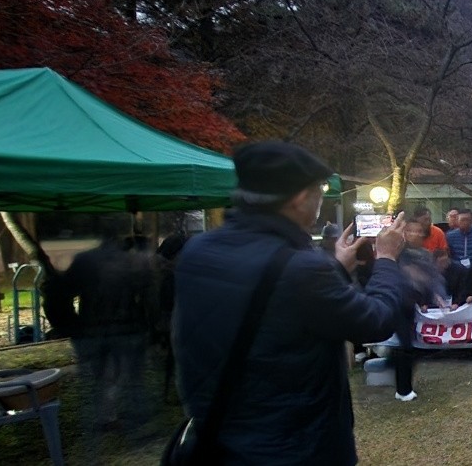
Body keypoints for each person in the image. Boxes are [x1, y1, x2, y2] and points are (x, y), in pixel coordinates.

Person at [173, 142, 406, 464]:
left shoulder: (197, 250)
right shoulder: (302, 269)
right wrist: (388, 258)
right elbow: (375, 322)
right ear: (299, 198)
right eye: (319, 190)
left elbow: (275, 305)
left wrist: (335, 268)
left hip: (220, 436)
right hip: (292, 445)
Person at [49, 214, 157, 433]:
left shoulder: (86, 260)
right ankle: (133, 419)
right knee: (131, 376)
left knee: (100, 377)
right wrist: (151, 325)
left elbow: (60, 294)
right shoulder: (131, 262)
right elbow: (149, 297)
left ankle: (105, 418)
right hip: (126, 328)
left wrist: (70, 325)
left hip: (94, 328)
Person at [393, 220, 446, 399]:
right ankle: (403, 390)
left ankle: (404, 385)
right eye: (411, 231)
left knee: (409, 346)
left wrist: (437, 296)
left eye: (418, 231)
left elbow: (433, 278)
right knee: (405, 346)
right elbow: (408, 274)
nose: (415, 234)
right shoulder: (398, 252)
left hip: (411, 305)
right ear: (405, 233)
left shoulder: (425, 254)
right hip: (396, 303)